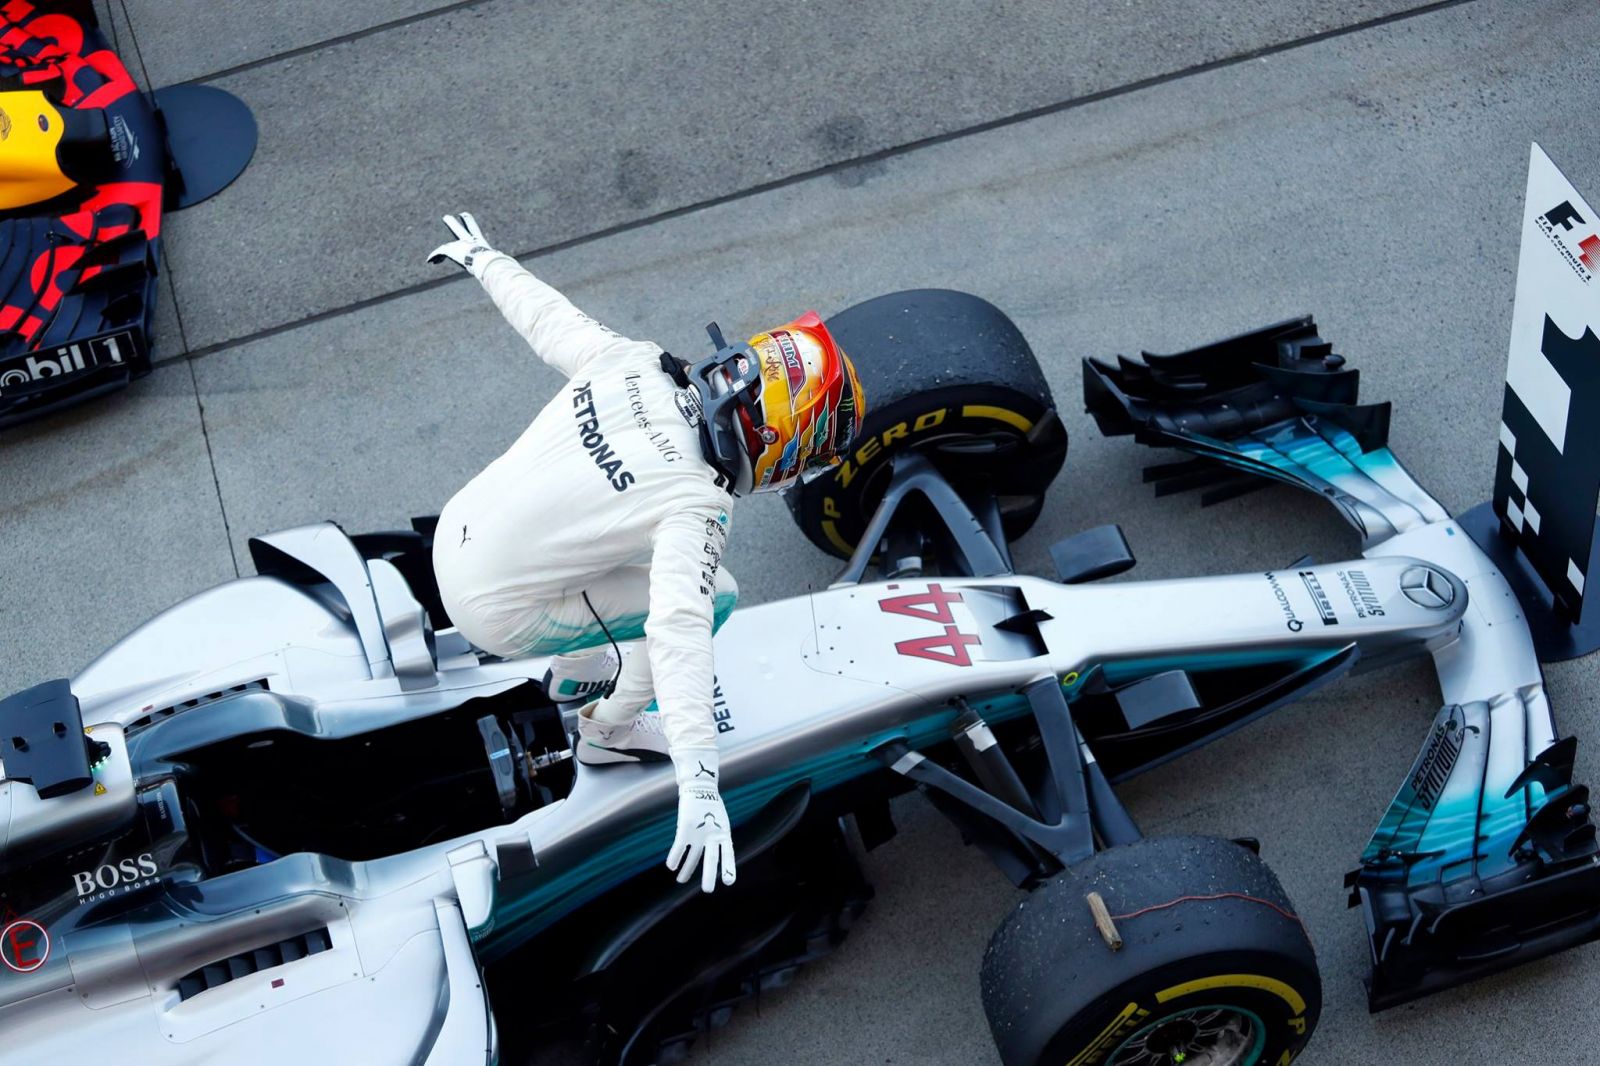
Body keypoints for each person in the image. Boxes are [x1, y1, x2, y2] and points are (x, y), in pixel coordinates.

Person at [425, 213, 865, 893]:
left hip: (458, 528)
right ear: (781, 443)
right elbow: (680, 630)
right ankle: (608, 732)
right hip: (495, 610)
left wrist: (486, 259)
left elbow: (551, 321)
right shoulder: (698, 501)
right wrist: (701, 782)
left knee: (609, 534)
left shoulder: (637, 363)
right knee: (714, 598)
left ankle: (577, 672)